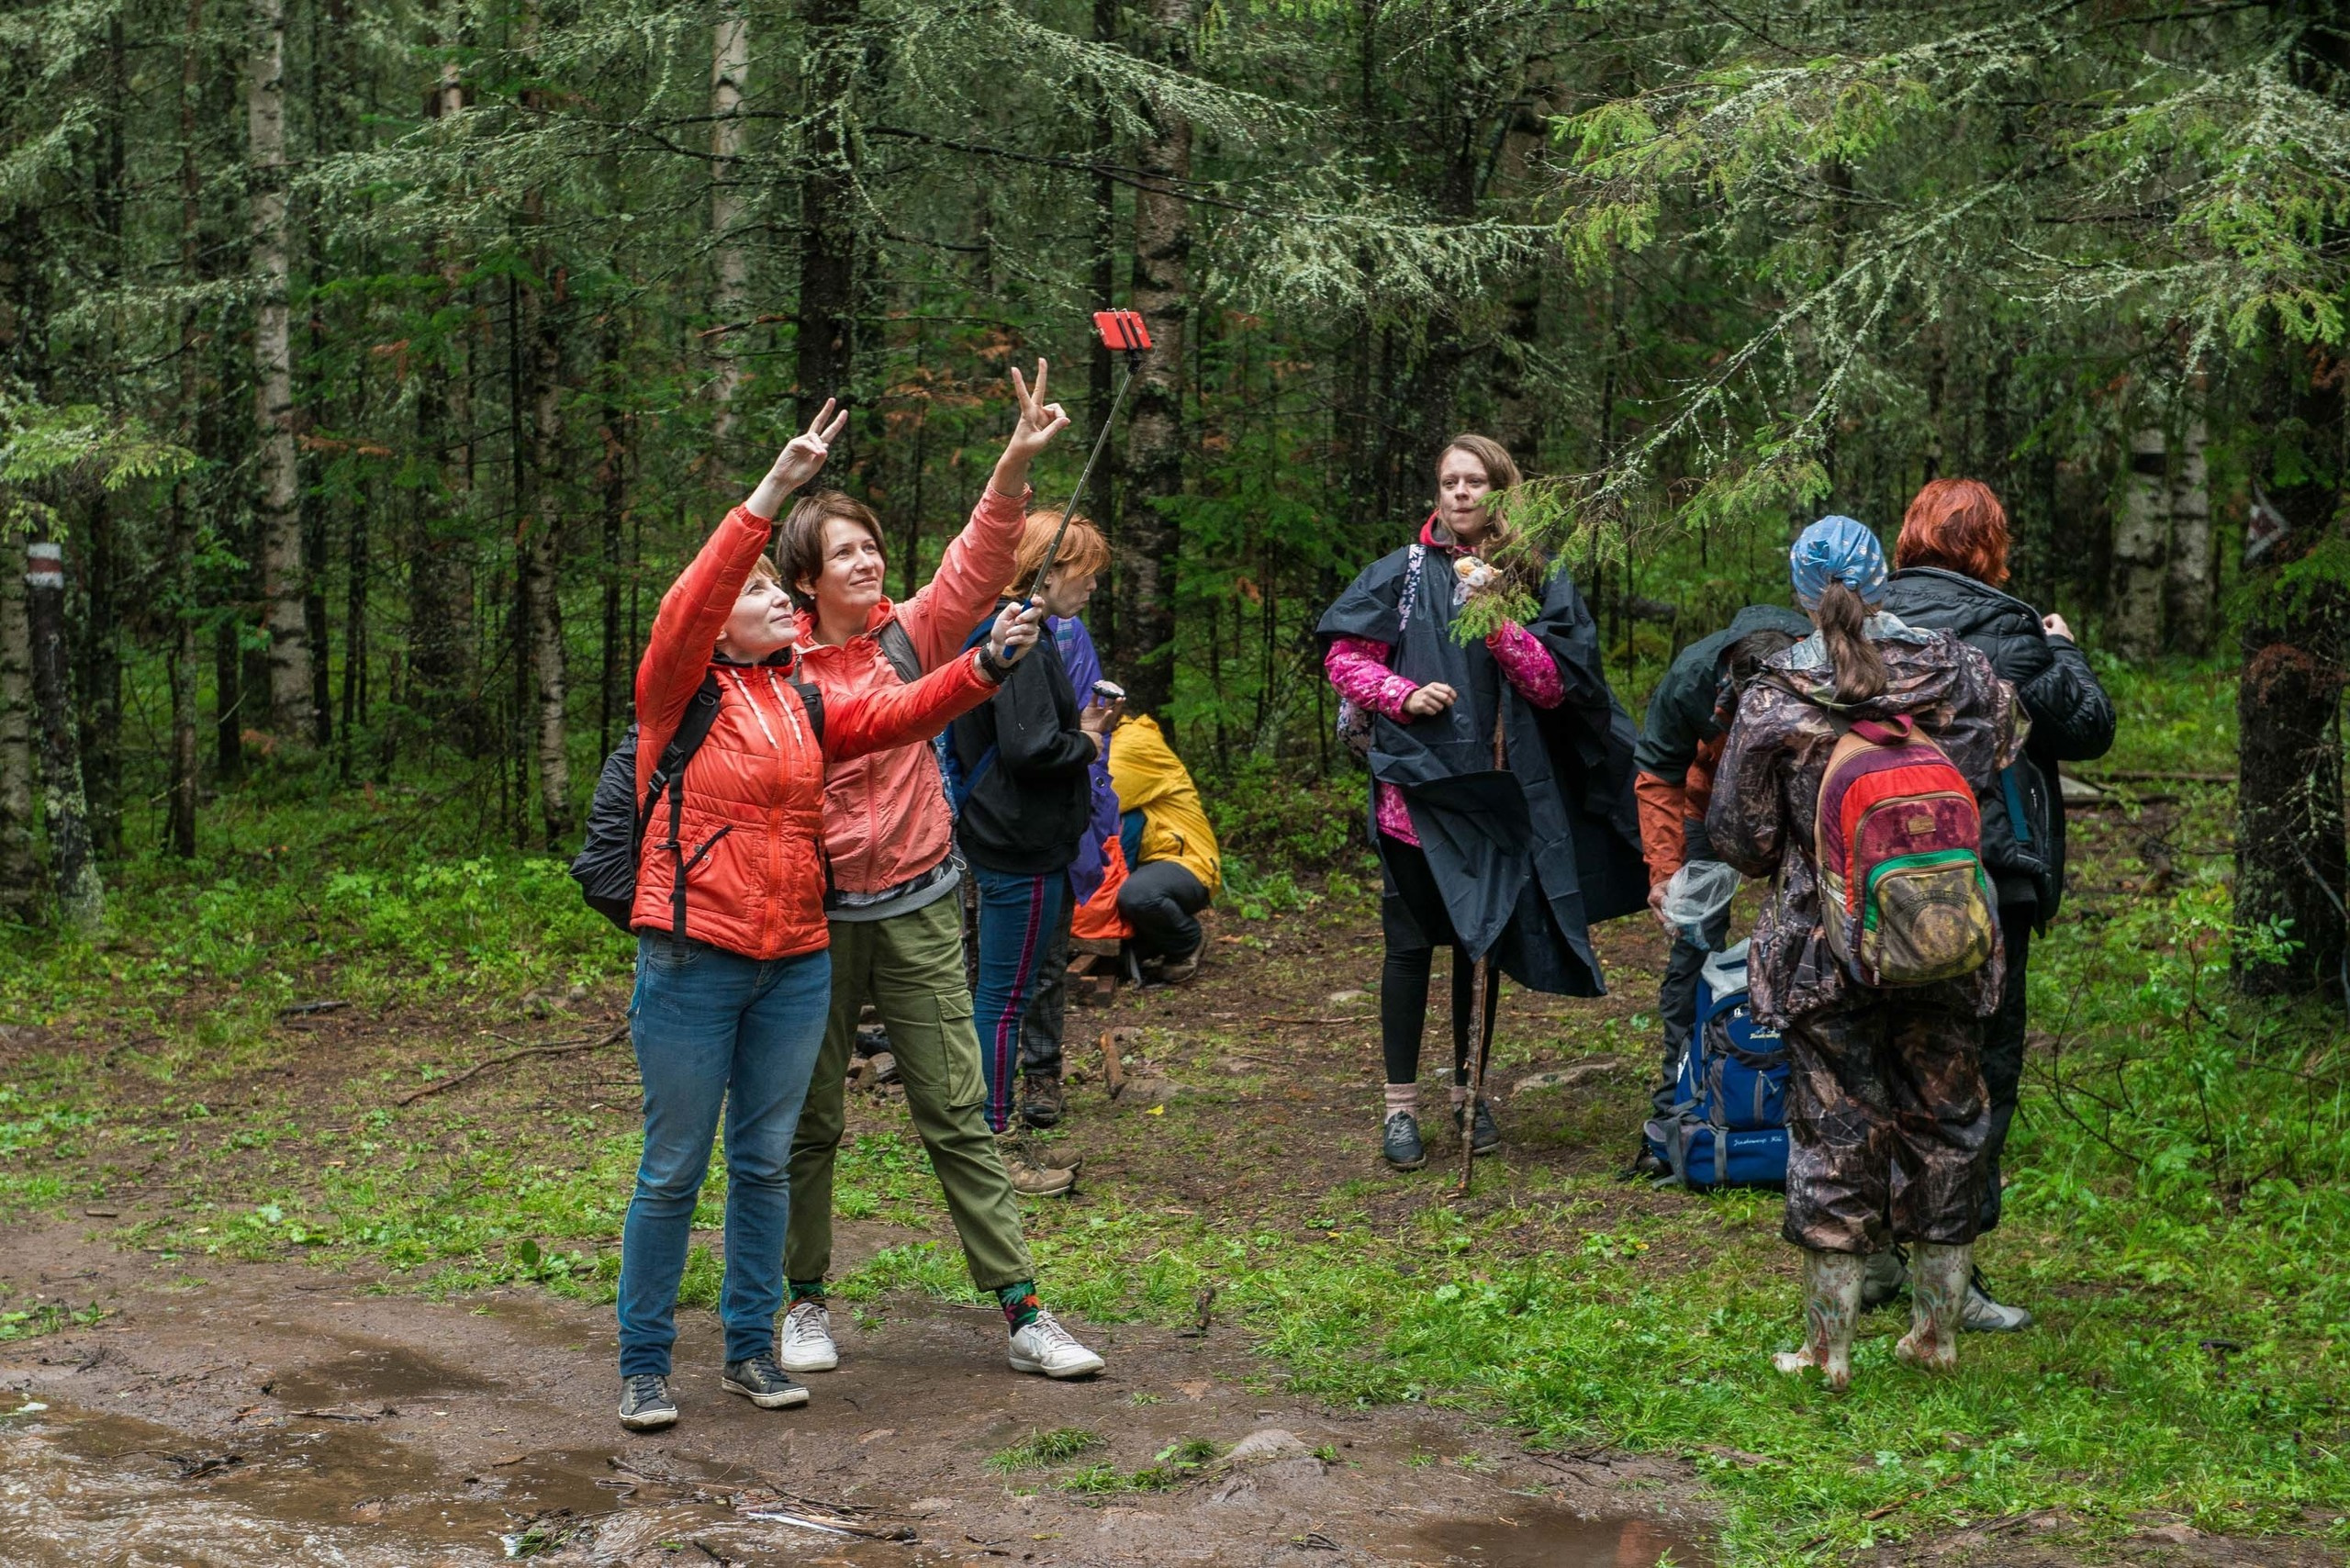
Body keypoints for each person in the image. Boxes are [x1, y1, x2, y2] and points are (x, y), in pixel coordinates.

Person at [616, 401, 1048, 1433]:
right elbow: (692, 604)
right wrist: (769, 495)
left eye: (778, 587)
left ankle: (750, 1350)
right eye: (764, 590)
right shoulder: (682, 690)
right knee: (678, 1164)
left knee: (764, 1157)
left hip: (796, 956)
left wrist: (985, 665)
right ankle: (643, 1365)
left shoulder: (804, 698)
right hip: (696, 955)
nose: (781, 603)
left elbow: (898, 712)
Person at [773, 362, 1108, 1386]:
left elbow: (973, 561)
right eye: (845, 551)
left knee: (957, 1112)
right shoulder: (770, 663)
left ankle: (1022, 1310)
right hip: (815, 920)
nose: (868, 560)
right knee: (809, 1118)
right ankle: (802, 1301)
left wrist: (1013, 464)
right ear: (804, 578)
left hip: (919, 900)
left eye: (872, 544)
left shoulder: (911, 634)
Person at [1707, 515, 2024, 1390]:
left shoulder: (1778, 696)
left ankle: (1829, 1348)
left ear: (1803, 592)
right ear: (1886, 579)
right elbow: (1999, 761)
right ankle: (1938, 1336)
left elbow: (1739, 835)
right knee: (1951, 1124)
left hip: (1825, 944)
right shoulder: (1959, 669)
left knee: (1832, 1132)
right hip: (1948, 934)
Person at [1319, 433, 1647, 1171]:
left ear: (1501, 492)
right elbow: (1344, 659)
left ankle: (1471, 1091)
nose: (1460, 494)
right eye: (1449, 481)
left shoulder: (1536, 577)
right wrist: (1402, 694)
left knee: (1482, 945)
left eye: (1475, 482)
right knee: (1408, 949)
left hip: (1500, 796)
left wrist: (1495, 618)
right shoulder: (1401, 574)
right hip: (1416, 794)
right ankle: (1400, 1107)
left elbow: (1557, 685)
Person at [1880, 477, 2115, 1330]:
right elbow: (2086, 725)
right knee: (1978, 1074)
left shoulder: (1863, 620)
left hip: (1873, 875)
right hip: (1984, 874)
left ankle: (1871, 1248)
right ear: (1988, 543)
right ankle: (1951, 1274)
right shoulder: (2013, 630)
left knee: (1877, 1060)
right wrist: (2067, 648)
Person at [949, 513, 1123, 1154]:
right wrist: (1087, 738)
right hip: (1015, 845)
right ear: (1047, 572)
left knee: (1004, 991)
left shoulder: (1033, 631)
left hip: (1019, 839)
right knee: (1003, 997)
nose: (1094, 586)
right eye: (1087, 572)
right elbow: (1027, 749)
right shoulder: (1017, 638)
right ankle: (988, 1134)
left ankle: (984, 1129)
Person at [1629, 607, 1807, 1159]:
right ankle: (1679, 1091)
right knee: (1694, 939)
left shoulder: (1823, 664)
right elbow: (1658, 774)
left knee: (1813, 936)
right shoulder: (1691, 678)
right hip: (1709, 808)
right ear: (1729, 676)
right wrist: (1666, 874)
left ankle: (1813, 1083)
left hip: (1804, 804)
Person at [1013, 608, 1122, 1132]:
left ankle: (1041, 1074)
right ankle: (968, 1083)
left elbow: (1093, 735)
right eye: (1085, 572)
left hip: (1057, 819)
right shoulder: (984, 625)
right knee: (974, 962)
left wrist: (1091, 799)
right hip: (984, 820)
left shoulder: (1071, 634)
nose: (1095, 587)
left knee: (1048, 961)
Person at [1107, 711, 1220, 980]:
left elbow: (1096, 793)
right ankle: (1145, 946)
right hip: (1148, 863)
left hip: (1187, 863)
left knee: (1138, 896)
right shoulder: (1111, 739)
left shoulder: (1134, 743)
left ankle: (1186, 942)